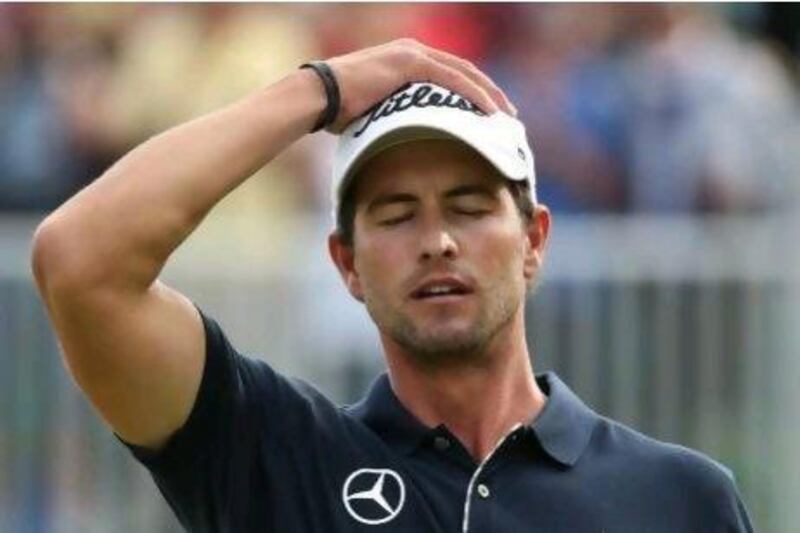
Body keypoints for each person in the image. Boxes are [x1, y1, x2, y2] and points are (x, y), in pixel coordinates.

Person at [31, 39, 753, 532]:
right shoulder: (282, 459)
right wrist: (318, 89)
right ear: (346, 262)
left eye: (469, 208)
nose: (437, 240)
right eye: (398, 215)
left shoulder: (681, 499)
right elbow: (80, 261)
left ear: (534, 240)